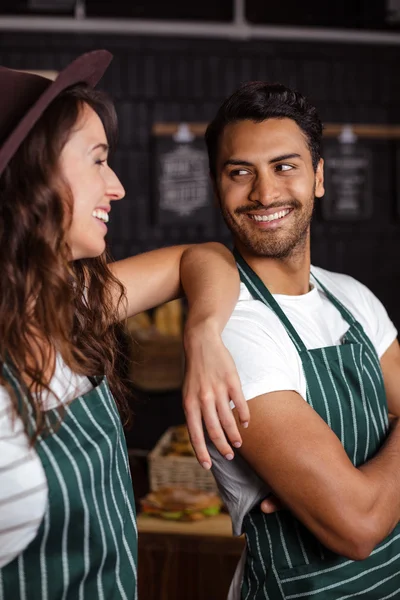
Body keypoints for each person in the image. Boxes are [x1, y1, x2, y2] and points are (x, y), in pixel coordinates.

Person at [0, 50, 250, 599]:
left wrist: (203, 334)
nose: (117, 187)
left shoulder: (71, 304)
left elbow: (204, 258)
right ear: (31, 178)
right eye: (97, 160)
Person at [204, 81, 400, 599]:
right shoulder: (236, 329)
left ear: (318, 177)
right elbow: (356, 525)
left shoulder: (351, 296)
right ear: (215, 185)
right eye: (239, 172)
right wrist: (358, 494)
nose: (264, 194)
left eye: (284, 167)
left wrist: (364, 486)